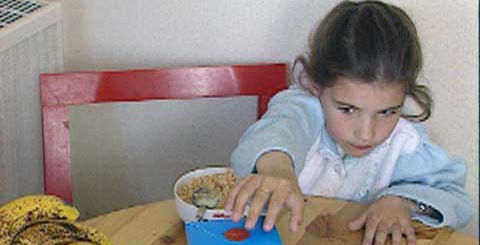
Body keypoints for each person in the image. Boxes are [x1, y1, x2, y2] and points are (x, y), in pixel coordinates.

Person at [224, 1, 473, 245]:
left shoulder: (405, 142)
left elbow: (455, 197)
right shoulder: (304, 109)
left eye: (387, 112)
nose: (366, 134)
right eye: (347, 109)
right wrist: (278, 172)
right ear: (315, 86)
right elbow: (279, 128)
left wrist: (400, 202)